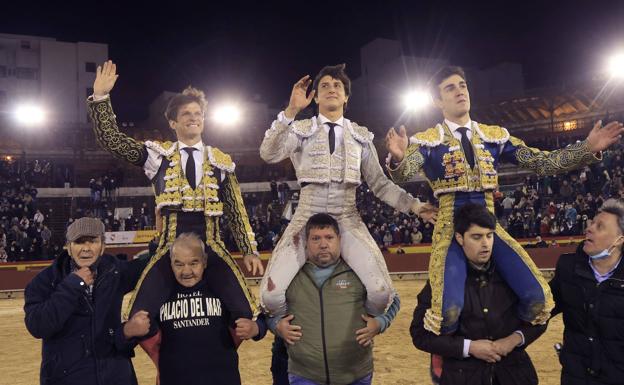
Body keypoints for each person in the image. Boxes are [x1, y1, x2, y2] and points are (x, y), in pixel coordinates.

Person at [386, 65, 624, 334]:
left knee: (539, 300)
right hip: (450, 230)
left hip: (489, 227)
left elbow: (542, 162)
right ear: (437, 101)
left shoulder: (494, 137)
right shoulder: (428, 142)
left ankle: (502, 339)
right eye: (450, 88)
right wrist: (398, 157)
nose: (459, 91)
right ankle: (448, 354)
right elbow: (404, 172)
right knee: (447, 312)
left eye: (462, 85)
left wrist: (586, 148)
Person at [87, 61, 262, 327]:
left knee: (247, 313)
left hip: (212, 247)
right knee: (137, 317)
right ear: (173, 122)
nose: (193, 117)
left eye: (198, 113)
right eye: (186, 114)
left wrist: (249, 250)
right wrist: (101, 98)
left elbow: (236, 210)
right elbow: (113, 142)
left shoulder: (220, 160)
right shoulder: (158, 156)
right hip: (169, 248)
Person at [259, 63, 434, 320]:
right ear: (315, 96)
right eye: (325, 86)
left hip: (347, 217)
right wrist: (291, 110)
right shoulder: (299, 129)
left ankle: (352, 334)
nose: (332, 89)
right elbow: (268, 153)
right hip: (306, 216)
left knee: (381, 292)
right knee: (270, 296)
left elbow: (381, 185)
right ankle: (294, 337)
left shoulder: (360, 137)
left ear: (346, 97)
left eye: (337, 85)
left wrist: (416, 206)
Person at [410, 203, 547, 385]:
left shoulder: (512, 277)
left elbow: (540, 318)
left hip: (513, 374)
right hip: (465, 375)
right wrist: (470, 347)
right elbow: (420, 335)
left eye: (489, 236)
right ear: (460, 238)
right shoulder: (442, 282)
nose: (485, 244)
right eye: (476, 237)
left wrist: (514, 340)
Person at [271, 213, 400, 385]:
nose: (323, 244)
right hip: (305, 375)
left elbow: (394, 300)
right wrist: (276, 326)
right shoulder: (289, 277)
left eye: (329, 237)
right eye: (316, 238)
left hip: (356, 375)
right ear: (306, 242)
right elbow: (268, 310)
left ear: (339, 239)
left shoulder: (359, 272)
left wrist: (381, 323)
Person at [24, 217, 150, 385]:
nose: (86, 248)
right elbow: (38, 326)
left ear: (103, 246)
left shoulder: (116, 271)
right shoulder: (45, 281)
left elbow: (152, 264)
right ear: (69, 248)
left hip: (115, 377)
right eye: (79, 242)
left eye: (92, 241)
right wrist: (73, 285)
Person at [144, 233, 268, 385]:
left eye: (193, 263)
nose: (186, 271)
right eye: (179, 264)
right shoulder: (160, 294)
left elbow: (260, 319)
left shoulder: (224, 290)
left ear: (204, 261)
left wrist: (256, 328)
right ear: (170, 264)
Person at [549, 199, 624, 384]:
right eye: (591, 223)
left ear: (619, 240)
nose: (589, 228)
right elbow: (542, 308)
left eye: (600, 226)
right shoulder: (568, 268)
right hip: (577, 377)